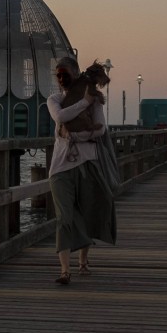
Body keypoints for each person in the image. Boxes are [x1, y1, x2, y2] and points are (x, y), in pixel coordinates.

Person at [46, 56, 116, 285]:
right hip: (60, 166)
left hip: (88, 162)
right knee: (64, 216)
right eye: (58, 75)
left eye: (66, 74)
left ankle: (83, 261)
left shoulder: (96, 101)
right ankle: (64, 270)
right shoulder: (54, 99)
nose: (62, 79)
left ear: (76, 74)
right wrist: (84, 102)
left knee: (89, 211)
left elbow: (100, 130)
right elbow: (61, 116)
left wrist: (76, 135)